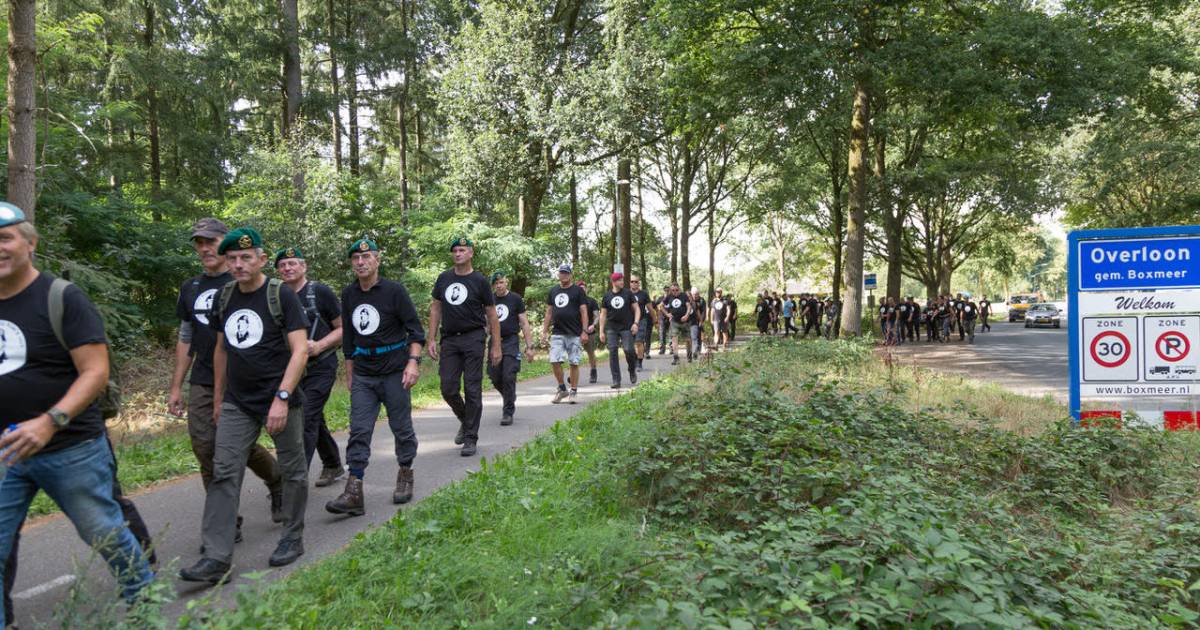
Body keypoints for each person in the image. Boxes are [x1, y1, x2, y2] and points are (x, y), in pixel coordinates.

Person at [0, 204, 154, 620]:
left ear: (30, 243)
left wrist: (50, 421)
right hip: (6, 452)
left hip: (71, 447)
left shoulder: (61, 298)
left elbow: (96, 371)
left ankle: (148, 608)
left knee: (104, 534)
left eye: (5, 238)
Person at [179, 227, 310, 584]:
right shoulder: (225, 297)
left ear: (262, 259)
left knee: (294, 469)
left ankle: (292, 537)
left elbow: (300, 350)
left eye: (245, 258)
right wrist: (219, 398)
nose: (238, 264)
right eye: (232, 258)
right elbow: (221, 349)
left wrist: (282, 398)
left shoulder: (280, 295)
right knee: (223, 471)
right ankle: (217, 556)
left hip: (279, 398)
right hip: (237, 401)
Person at [168, 218, 281, 537]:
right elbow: (186, 335)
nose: (204, 248)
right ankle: (227, 520)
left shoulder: (242, 282)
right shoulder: (190, 287)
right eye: (198, 243)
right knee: (205, 447)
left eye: (210, 241)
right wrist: (176, 386)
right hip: (204, 378)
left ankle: (276, 478)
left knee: (235, 445)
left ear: (226, 242)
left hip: (245, 378)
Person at [326, 238, 425, 516]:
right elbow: (348, 337)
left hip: (395, 371)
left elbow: (415, 331)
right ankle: (354, 489)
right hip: (364, 375)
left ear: (377, 260)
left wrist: (413, 363)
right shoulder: (349, 294)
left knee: (401, 427)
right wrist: (350, 374)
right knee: (358, 429)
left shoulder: (394, 291)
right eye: (355, 258)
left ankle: (405, 472)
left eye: (366, 257)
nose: (360, 262)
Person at [275, 247, 345, 488]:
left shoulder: (320, 292)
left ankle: (292, 484)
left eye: (292, 263)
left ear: (303, 266)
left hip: (321, 366)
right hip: (293, 371)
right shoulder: (277, 296)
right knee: (314, 419)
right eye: (283, 265)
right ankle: (333, 464)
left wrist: (321, 345)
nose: (287, 268)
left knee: (305, 419)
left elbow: (342, 328)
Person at [428, 237, 502, 458]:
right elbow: (435, 310)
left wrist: (496, 346)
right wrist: (430, 339)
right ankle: (465, 419)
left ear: (471, 253)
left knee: (472, 388)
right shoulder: (443, 279)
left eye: (462, 250)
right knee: (448, 388)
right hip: (449, 340)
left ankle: (471, 437)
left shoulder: (479, 280)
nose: (457, 253)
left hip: (474, 338)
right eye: (454, 250)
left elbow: (492, 315)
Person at [487, 272, 535, 426]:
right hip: (494, 342)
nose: (499, 286)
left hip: (511, 341)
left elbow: (524, 323)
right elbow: (484, 323)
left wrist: (529, 346)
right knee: (494, 376)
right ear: (493, 285)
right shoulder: (489, 299)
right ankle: (510, 396)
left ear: (506, 282)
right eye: (496, 283)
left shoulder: (515, 299)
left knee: (508, 376)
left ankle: (508, 412)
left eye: (501, 282)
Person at [543, 264, 588, 403]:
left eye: (566, 273)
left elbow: (583, 311)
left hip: (574, 333)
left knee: (574, 362)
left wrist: (584, 331)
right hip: (557, 332)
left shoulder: (578, 291)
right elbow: (549, 311)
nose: (563, 275)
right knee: (554, 360)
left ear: (570, 275)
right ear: (559, 274)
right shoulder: (554, 291)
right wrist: (544, 330)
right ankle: (562, 388)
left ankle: (573, 391)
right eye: (561, 273)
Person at [598, 272, 640, 389]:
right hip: (612, 328)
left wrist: (636, 323)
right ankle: (616, 379)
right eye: (620, 280)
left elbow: (637, 309)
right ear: (613, 282)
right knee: (613, 351)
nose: (622, 282)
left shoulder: (628, 293)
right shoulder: (607, 296)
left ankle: (632, 370)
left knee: (629, 350)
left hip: (626, 327)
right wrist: (601, 331)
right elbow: (603, 314)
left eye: (622, 280)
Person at [661, 284, 692, 364]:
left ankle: (689, 356)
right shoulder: (669, 296)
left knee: (688, 339)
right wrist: (667, 314)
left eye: (676, 290)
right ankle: (676, 357)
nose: (675, 292)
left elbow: (689, 306)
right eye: (673, 290)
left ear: (679, 289)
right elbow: (661, 306)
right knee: (674, 339)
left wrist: (686, 315)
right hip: (674, 321)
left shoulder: (684, 296)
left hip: (685, 321)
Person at [578, 282, 600, 384]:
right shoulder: (573, 301)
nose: (582, 290)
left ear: (586, 289)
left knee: (590, 353)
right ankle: (573, 374)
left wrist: (593, 325)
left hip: (589, 331)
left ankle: (593, 371)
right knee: (574, 354)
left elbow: (597, 316)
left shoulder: (592, 301)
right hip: (576, 332)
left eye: (583, 288)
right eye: (580, 288)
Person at [629, 275, 652, 369]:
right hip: (628, 321)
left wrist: (655, 319)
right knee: (629, 343)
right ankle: (634, 358)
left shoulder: (644, 294)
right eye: (632, 281)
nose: (634, 283)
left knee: (639, 341)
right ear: (629, 283)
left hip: (641, 320)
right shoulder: (625, 293)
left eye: (636, 282)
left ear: (639, 283)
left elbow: (650, 308)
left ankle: (639, 362)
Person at [688, 287, 706, 354]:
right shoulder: (688, 300)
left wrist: (702, 321)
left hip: (699, 320)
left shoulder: (701, 300)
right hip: (690, 320)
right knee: (691, 336)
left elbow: (703, 311)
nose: (695, 296)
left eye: (697, 294)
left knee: (698, 334)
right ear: (691, 294)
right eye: (694, 294)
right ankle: (691, 349)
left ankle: (698, 349)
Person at [654, 288, 669, 354]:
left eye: (668, 290)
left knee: (671, 333)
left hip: (670, 318)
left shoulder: (671, 298)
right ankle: (662, 349)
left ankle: (672, 349)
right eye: (665, 290)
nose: (667, 291)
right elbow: (654, 305)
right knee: (662, 333)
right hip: (662, 318)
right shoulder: (660, 298)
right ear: (664, 291)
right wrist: (657, 313)